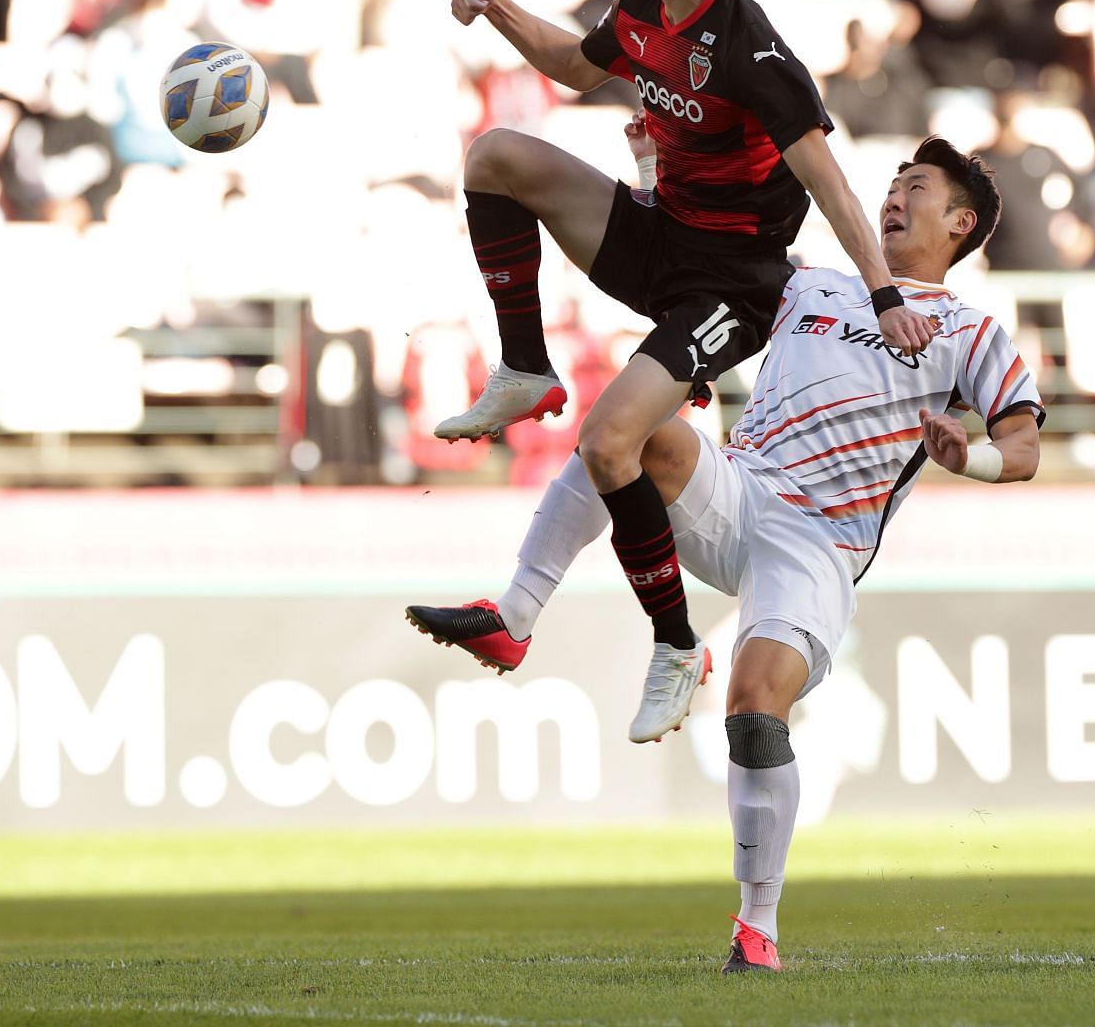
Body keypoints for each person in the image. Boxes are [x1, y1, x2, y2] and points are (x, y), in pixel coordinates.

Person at [409, 134, 1043, 973]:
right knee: (630, 433)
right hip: (738, 489)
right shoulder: (810, 281)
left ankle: (758, 928)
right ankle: (516, 612)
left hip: (819, 546)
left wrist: (970, 456)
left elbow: (1025, 447)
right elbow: (694, 287)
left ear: (960, 222)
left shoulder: (970, 333)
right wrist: (646, 176)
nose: (894, 196)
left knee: (754, 706)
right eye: (892, 182)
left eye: (915, 187)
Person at [428, 0, 933, 743]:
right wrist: (495, 6)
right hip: (661, 235)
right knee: (495, 158)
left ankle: (675, 646)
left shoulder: (753, 53)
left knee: (611, 440)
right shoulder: (644, 8)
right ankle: (523, 366)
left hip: (731, 290)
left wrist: (886, 293)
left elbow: (831, 184)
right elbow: (577, 69)